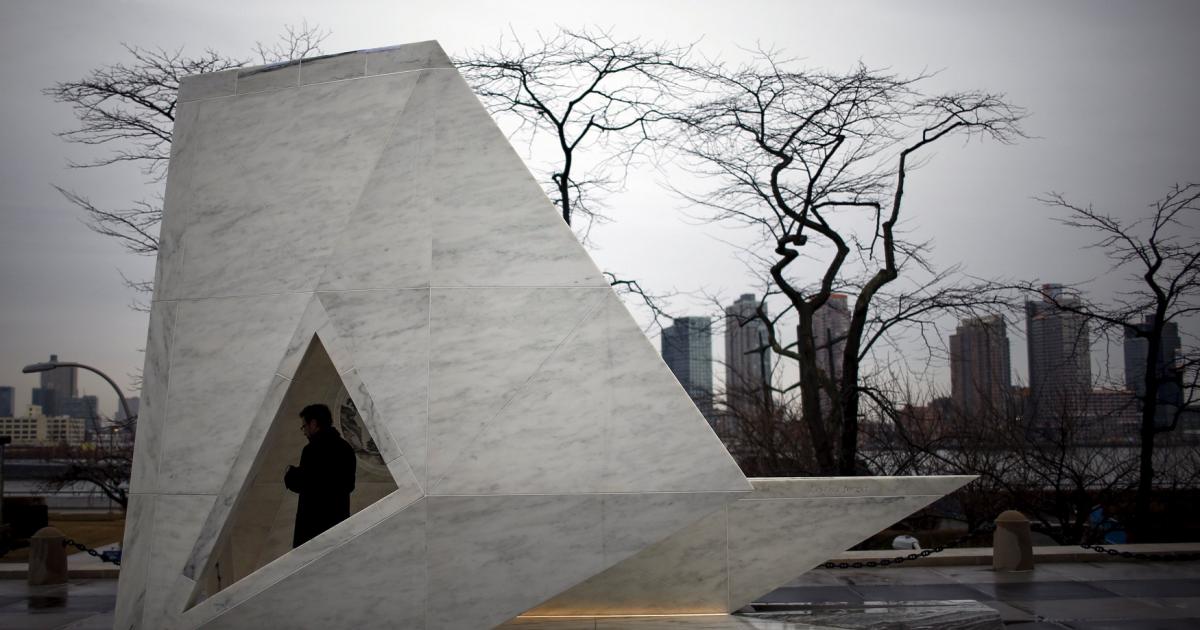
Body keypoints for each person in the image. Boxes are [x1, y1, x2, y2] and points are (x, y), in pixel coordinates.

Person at [284, 403, 357, 548]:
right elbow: (349, 485)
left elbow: (303, 483)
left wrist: (290, 472)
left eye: (304, 426)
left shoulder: (312, 450)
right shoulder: (346, 448)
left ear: (314, 423)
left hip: (312, 528)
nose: (304, 431)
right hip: (338, 525)